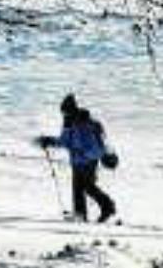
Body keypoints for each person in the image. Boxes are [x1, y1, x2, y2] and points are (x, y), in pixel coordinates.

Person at [37, 95, 116, 223]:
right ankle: (81, 215)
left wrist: (84, 155)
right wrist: (49, 141)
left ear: (71, 110)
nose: (64, 115)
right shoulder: (69, 123)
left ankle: (107, 207)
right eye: (63, 112)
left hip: (88, 162)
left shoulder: (85, 124)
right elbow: (65, 141)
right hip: (77, 162)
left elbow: (97, 148)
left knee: (87, 187)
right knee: (79, 188)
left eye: (65, 112)